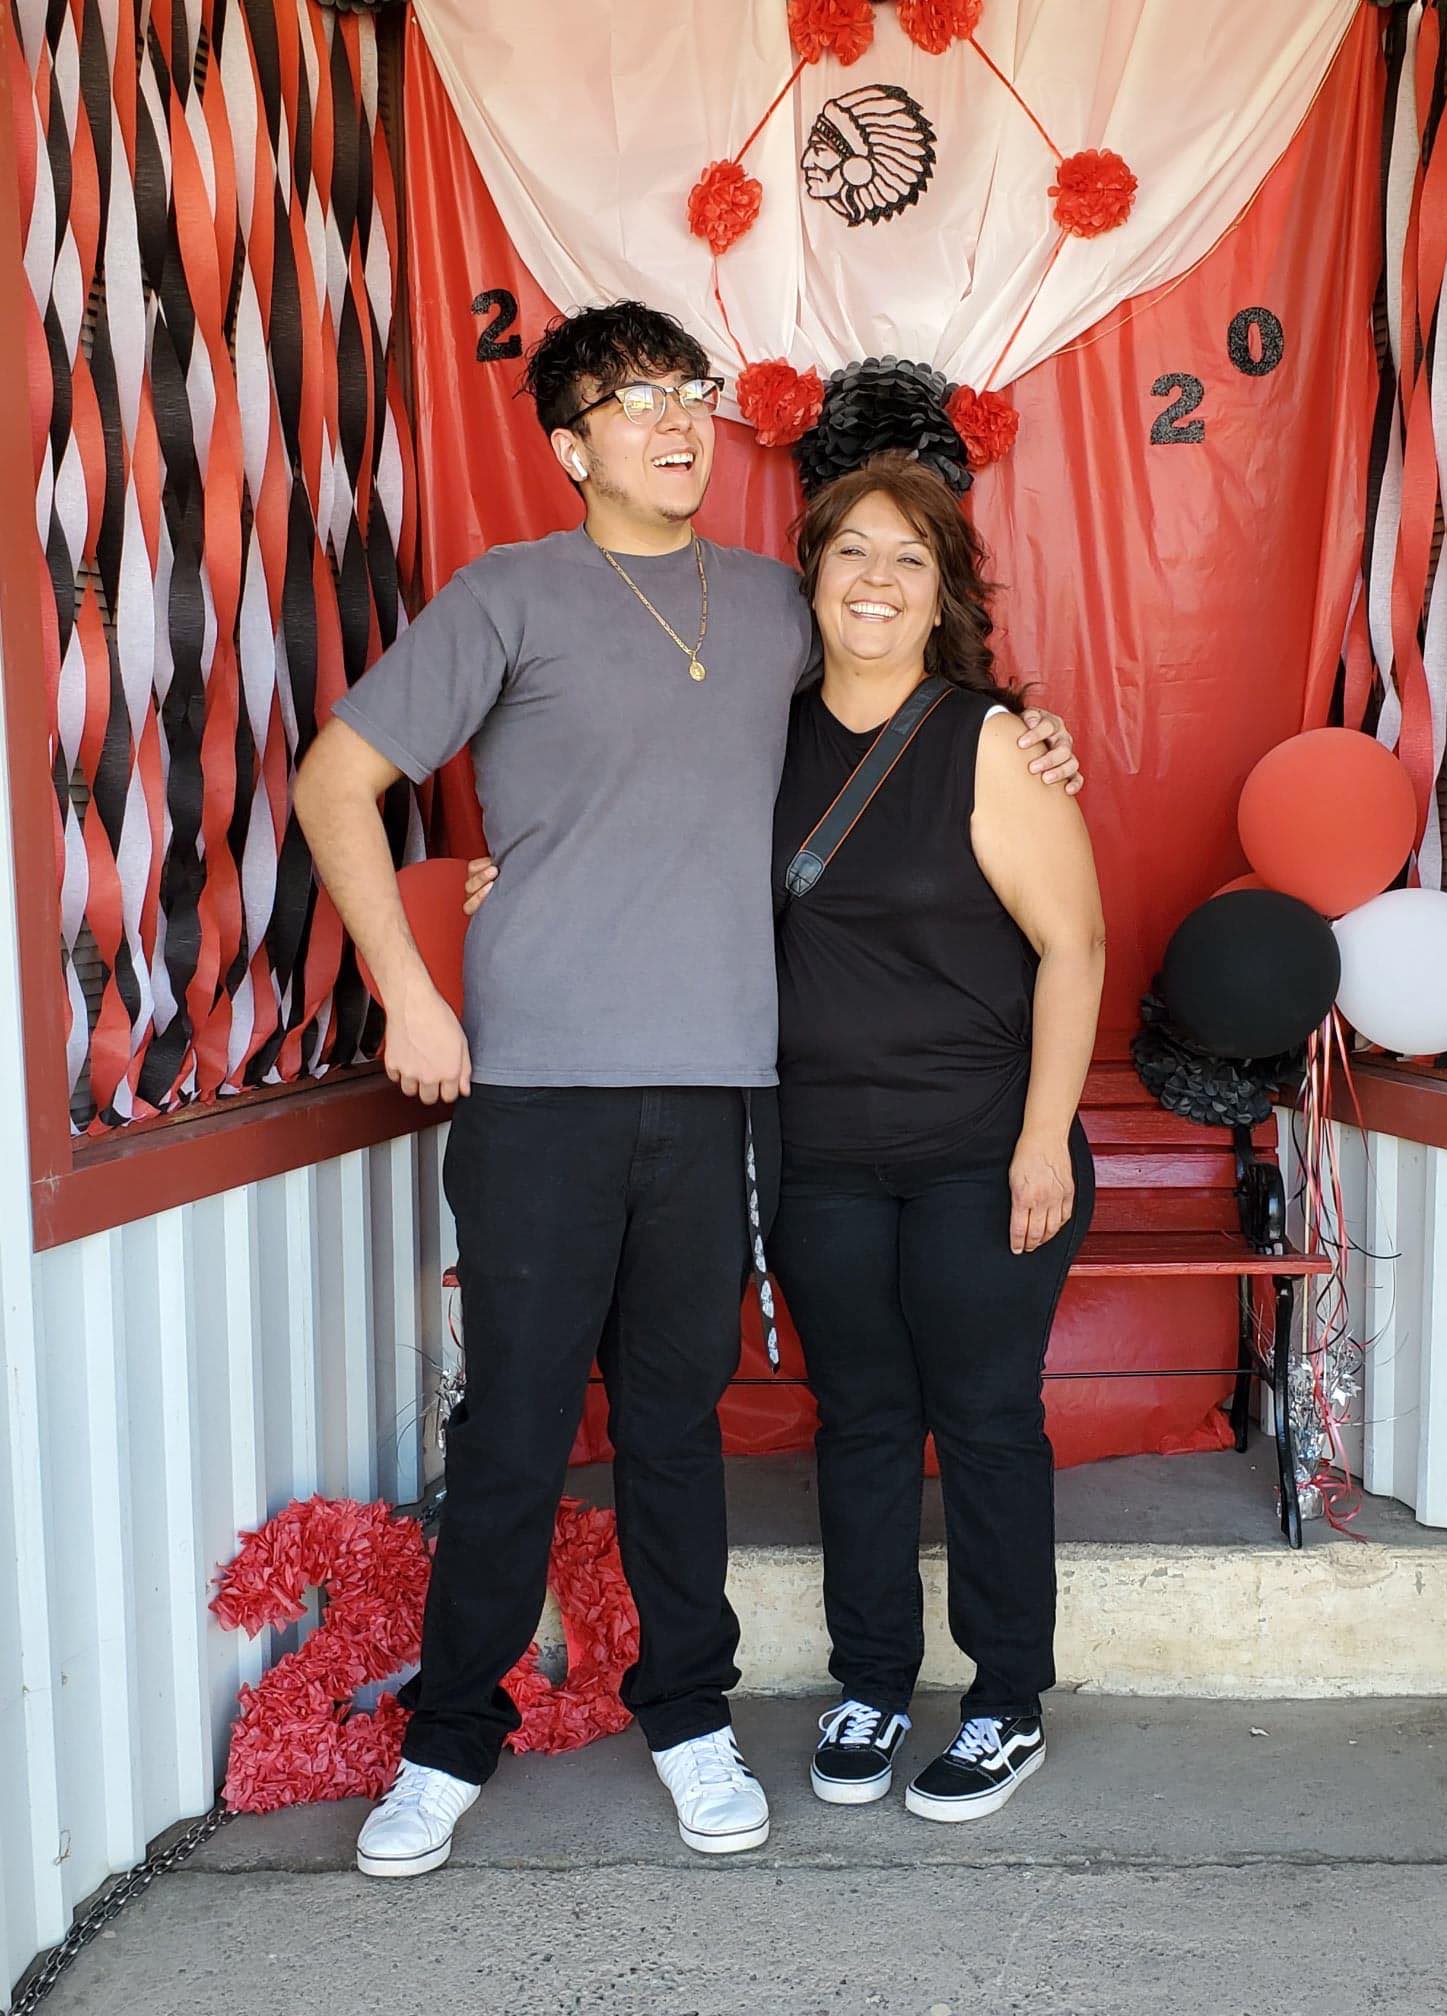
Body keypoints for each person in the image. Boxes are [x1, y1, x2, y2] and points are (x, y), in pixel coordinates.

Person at [294, 302, 1081, 1878]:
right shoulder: (508, 594)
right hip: (540, 1085)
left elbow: (899, 671)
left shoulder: (784, 605)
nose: (670, 420)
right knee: (515, 1421)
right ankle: (449, 1745)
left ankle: (689, 1717)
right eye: (625, 400)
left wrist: (1028, 732)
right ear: (567, 441)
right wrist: (409, 989)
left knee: (676, 1424)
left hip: (725, 1090)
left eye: (685, 391)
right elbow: (335, 781)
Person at [768, 453, 1105, 1824]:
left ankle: (1007, 1701)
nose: (878, 579)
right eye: (853, 550)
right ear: (812, 573)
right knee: (858, 1423)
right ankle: (871, 1684)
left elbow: (1073, 947)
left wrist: (1043, 1143)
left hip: (983, 1148)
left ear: (942, 592)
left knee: (981, 1421)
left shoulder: (990, 739)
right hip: (821, 1155)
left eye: (909, 558)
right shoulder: (757, 733)